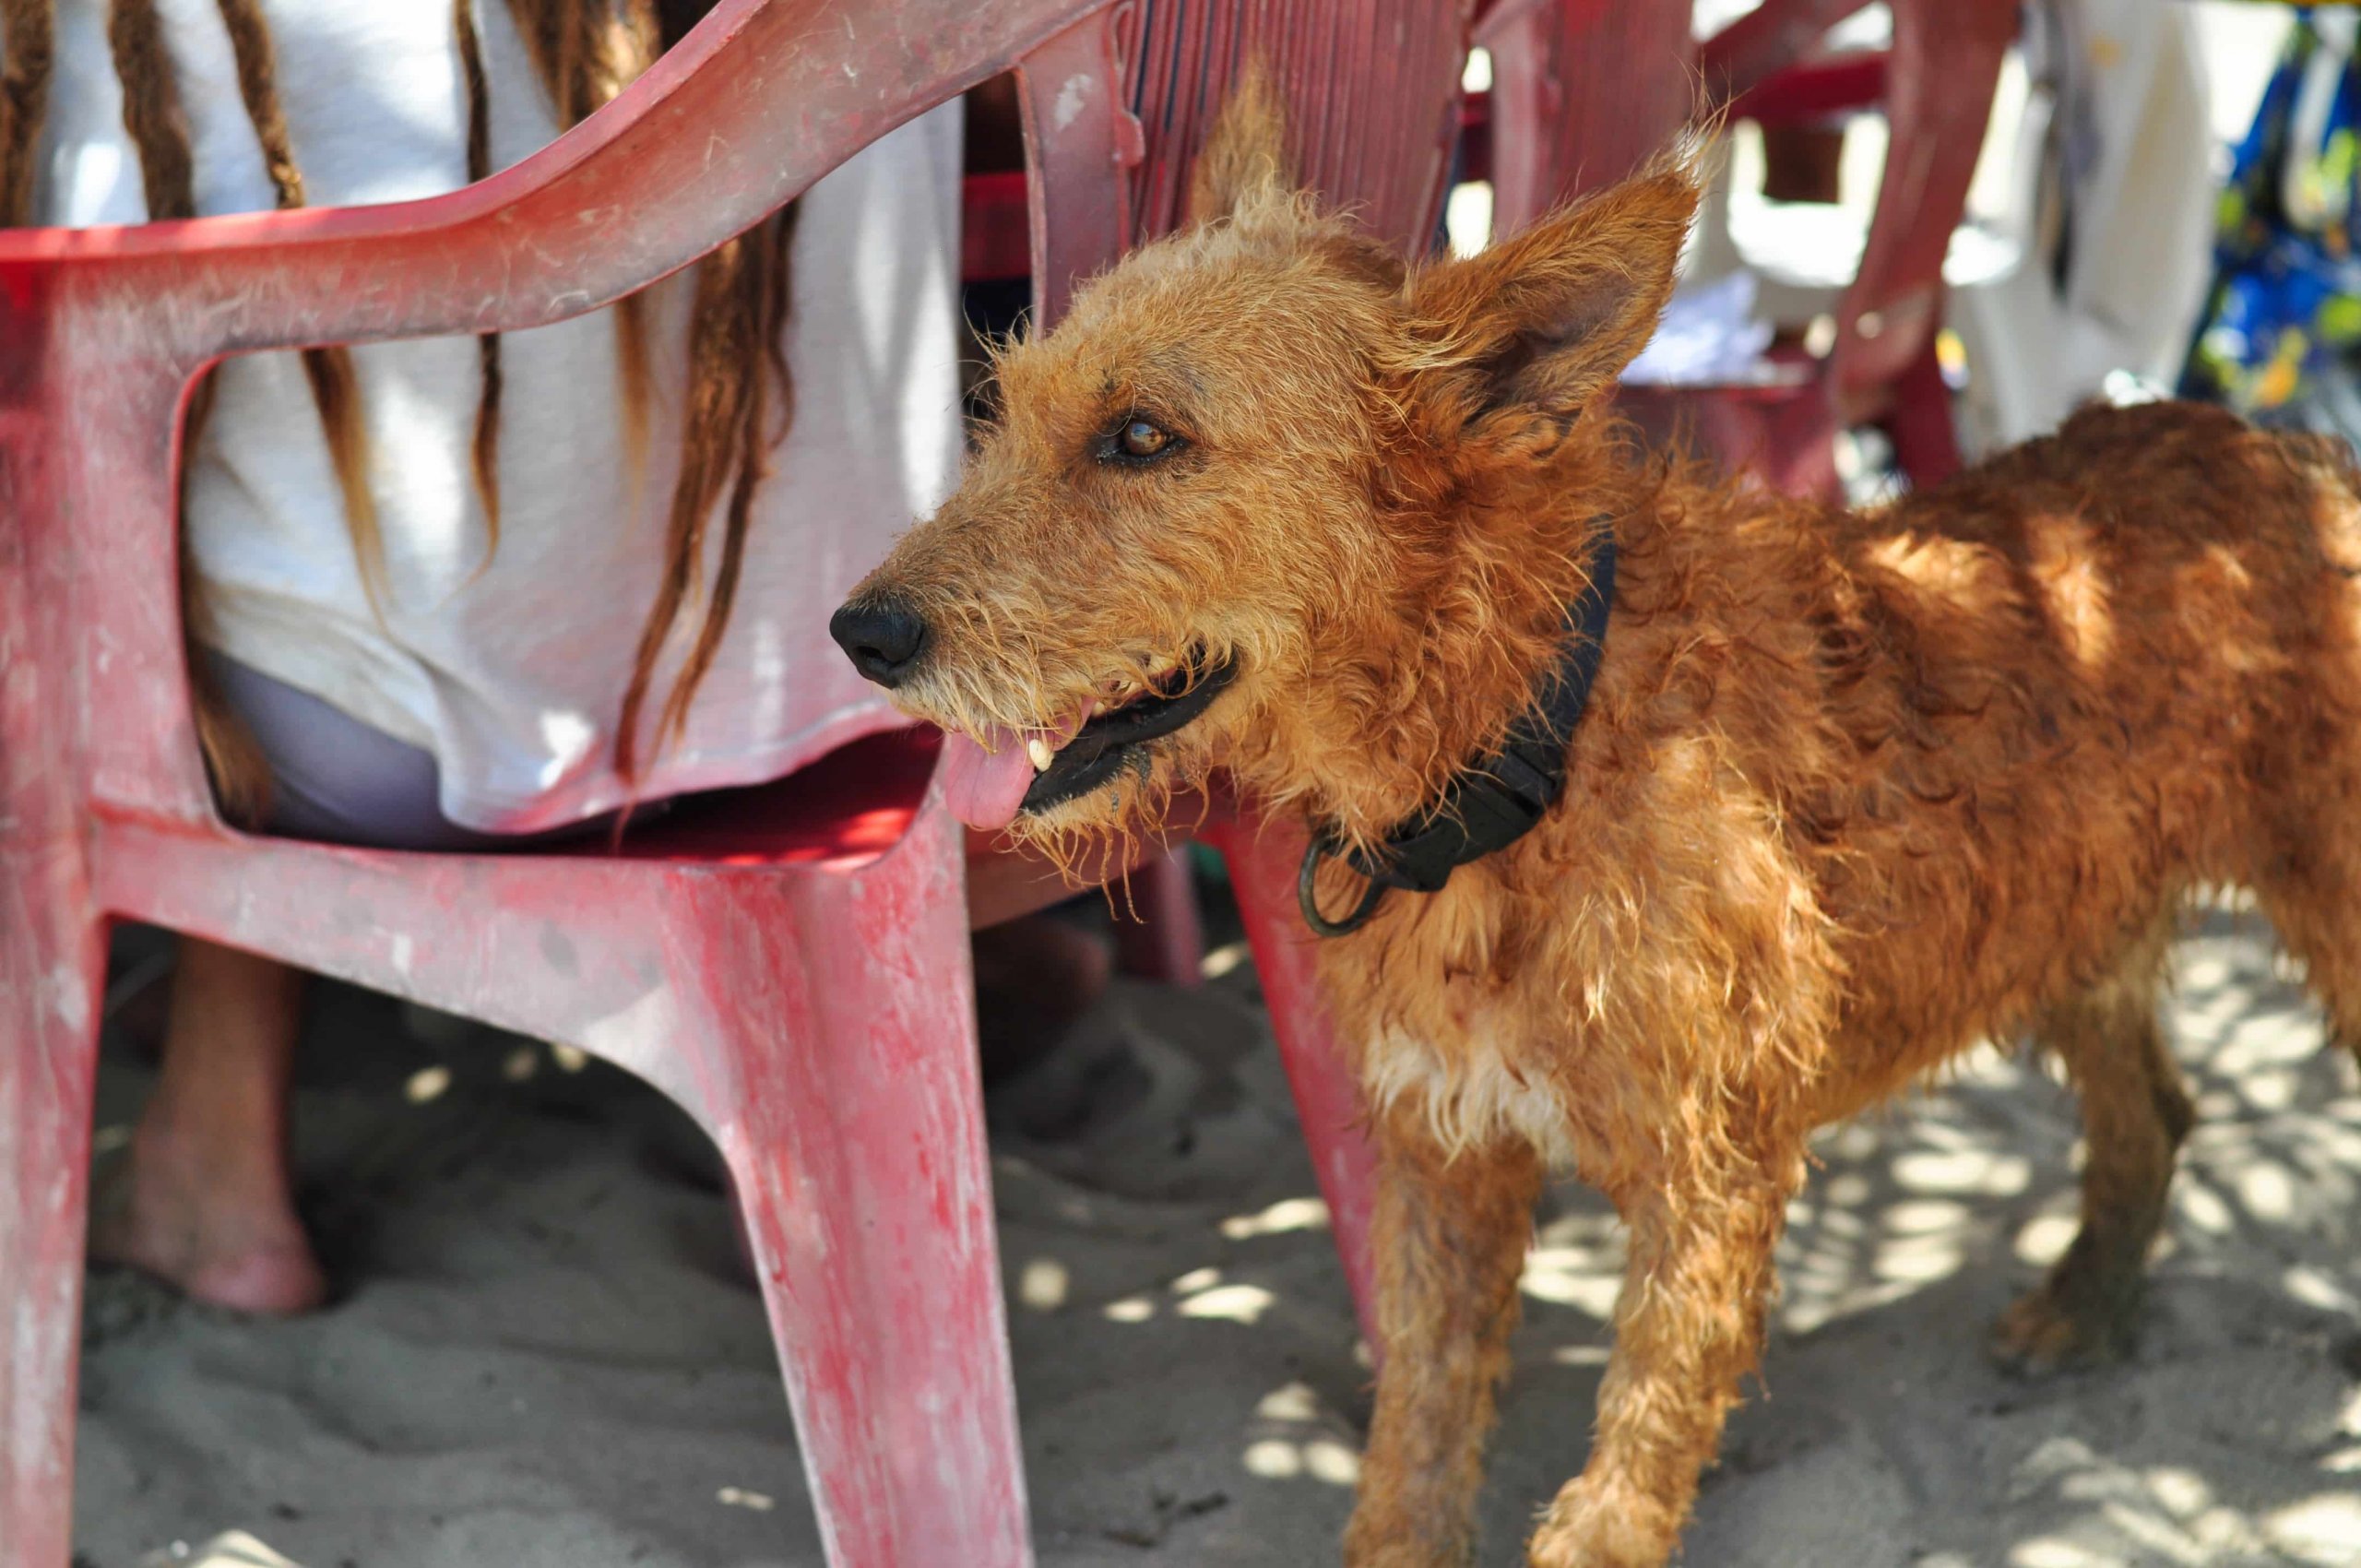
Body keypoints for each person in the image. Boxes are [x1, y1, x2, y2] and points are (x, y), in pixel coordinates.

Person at [6, 0, 1105, 1313]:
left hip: (381, 745)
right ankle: (982, 946)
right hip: (844, 678)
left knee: (174, 478)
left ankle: (212, 1159)